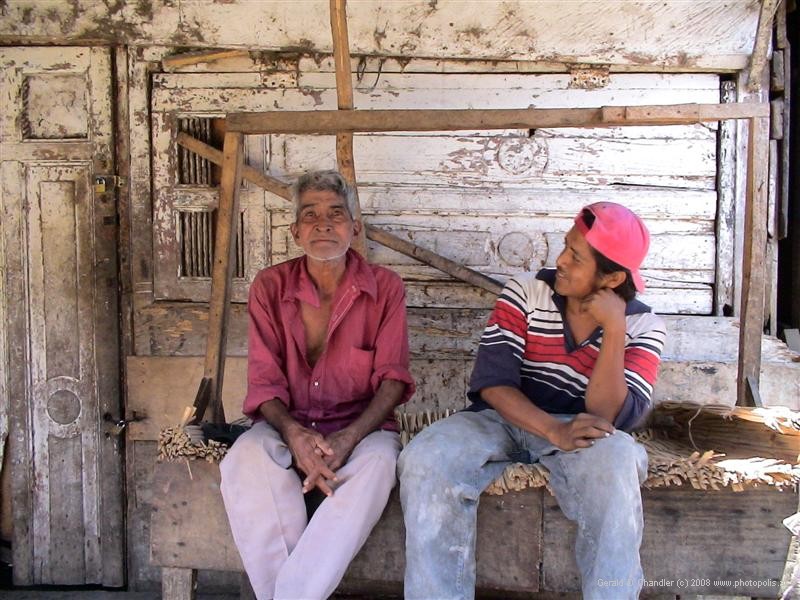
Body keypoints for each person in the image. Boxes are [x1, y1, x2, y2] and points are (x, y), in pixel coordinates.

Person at [399, 202, 667, 600]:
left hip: (582, 433)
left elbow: (605, 416)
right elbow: (493, 384)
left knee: (620, 461)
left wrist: (614, 330)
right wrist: (551, 429)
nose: (560, 260)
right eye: (565, 247)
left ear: (611, 277)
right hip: (500, 418)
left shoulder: (645, 326)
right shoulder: (526, 291)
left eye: (576, 257)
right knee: (423, 459)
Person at [220, 170, 415, 600]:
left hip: (361, 428)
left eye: (335, 214)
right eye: (310, 215)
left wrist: (347, 439)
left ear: (355, 229)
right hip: (286, 422)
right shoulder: (270, 287)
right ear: (294, 232)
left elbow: (392, 381)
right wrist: (294, 436)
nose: (323, 224)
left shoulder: (385, 288)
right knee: (243, 459)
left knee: (379, 465)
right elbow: (265, 382)